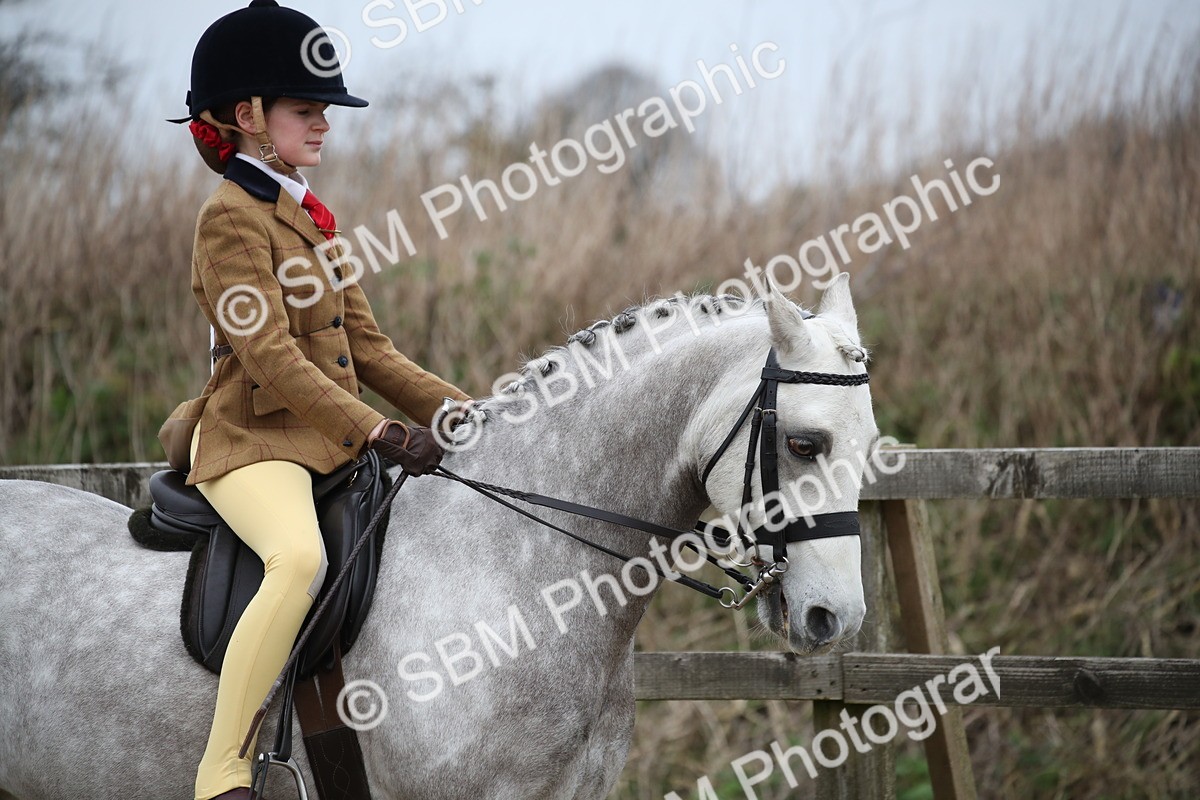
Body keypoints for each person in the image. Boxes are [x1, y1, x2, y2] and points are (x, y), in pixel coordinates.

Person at [157, 3, 472, 798]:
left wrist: (462, 412)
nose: (324, 123)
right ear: (249, 117)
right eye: (307, 109)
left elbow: (368, 350)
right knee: (298, 559)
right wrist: (376, 431)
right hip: (249, 438)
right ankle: (222, 767)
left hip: (323, 439)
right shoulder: (228, 220)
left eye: (323, 109)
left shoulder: (310, 219)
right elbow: (268, 355)